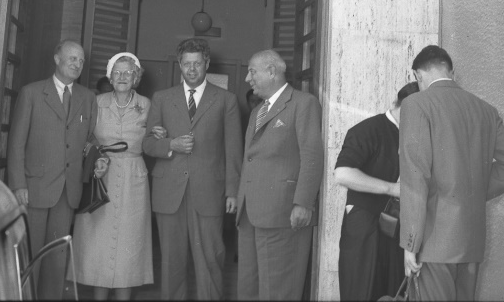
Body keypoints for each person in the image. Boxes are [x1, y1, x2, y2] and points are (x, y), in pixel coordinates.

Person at [400, 45, 504, 301]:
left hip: (433, 241)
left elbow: (415, 177)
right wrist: (472, 192)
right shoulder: (485, 110)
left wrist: (410, 244)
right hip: (471, 241)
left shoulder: (416, 104)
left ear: (418, 76)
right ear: (451, 73)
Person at [142, 38, 243, 300]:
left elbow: (233, 150)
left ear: (206, 63)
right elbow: (148, 144)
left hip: (209, 191)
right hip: (169, 192)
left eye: (197, 63)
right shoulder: (162, 98)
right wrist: (170, 144)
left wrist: (232, 191)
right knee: (171, 263)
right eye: (187, 64)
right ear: (179, 64)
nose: (192, 69)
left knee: (210, 259)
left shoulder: (226, 100)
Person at [7, 39, 107, 300]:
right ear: (57, 58)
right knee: (30, 253)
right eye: (72, 58)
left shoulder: (87, 97)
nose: (77, 64)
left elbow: (89, 138)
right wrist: (18, 184)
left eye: (81, 60)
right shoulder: (31, 93)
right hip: (34, 188)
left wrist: (97, 157)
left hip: (68, 190)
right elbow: (16, 143)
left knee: (56, 256)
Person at [236, 49, 324, 300]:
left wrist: (303, 203)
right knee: (249, 288)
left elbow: (312, 156)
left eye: (252, 72)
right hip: (250, 214)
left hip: (283, 214)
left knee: (279, 290)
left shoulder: (303, 103)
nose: (248, 78)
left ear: (272, 71)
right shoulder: (257, 111)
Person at [73, 52, 158, 300]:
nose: (122, 77)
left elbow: (153, 139)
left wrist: (159, 133)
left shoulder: (147, 104)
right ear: (110, 78)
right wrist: (96, 156)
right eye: (117, 72)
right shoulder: (95, 102)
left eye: (128, 72)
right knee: (97, 244)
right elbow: (84, 138)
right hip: (101, 174)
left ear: (136, 77)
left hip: (134, 178)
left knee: (129, 246)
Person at [335, 81, 419, 301]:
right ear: (396, 104)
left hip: (398, 229)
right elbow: (342, 174)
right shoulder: (368, 129)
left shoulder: (417, 135)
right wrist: (392, 189)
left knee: (393, 292)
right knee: (361, 292)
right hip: (365, 229)